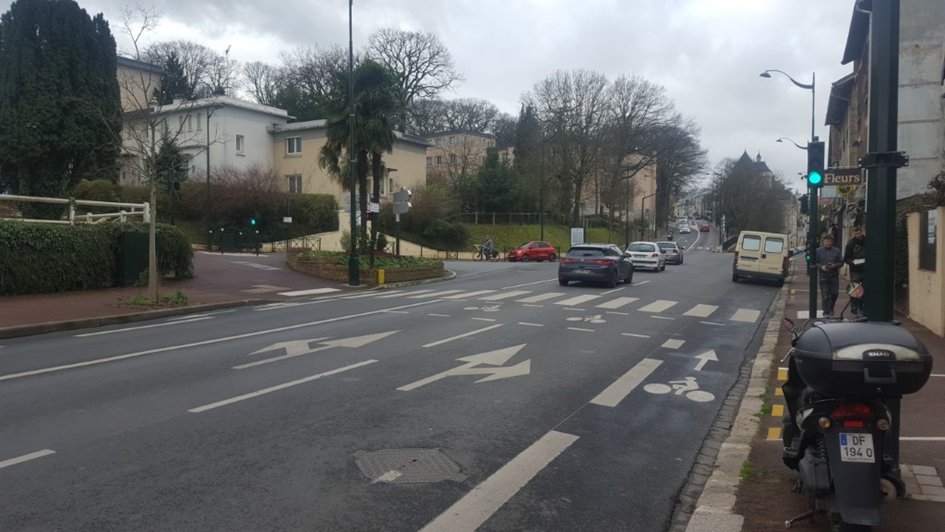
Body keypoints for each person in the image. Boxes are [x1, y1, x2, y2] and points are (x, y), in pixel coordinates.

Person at [815, 235, 843, 316]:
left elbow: (841, 262)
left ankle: (831, 307)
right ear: (823, 242)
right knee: (825, 295)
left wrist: (834, 265)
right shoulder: (818, 251)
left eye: (830, 241)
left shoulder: (837, 251)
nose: (828, 243)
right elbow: (815, 262)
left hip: (834, 276)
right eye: (827, 241)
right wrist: (821, 267)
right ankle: (826, 311)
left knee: (834, 293)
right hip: (823, 276)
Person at [843, 226, 866, 316]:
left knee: (865, 289)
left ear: (862, 232)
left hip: (865, 269)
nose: (858, 235)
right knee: (855, 289)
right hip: (855, 270)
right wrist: (852, 262)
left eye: (859, 232)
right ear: (853, 234)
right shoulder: (850, 244)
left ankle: (862, 307)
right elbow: (846, 258)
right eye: (856, 233)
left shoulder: (867, 241)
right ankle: (854, 307)